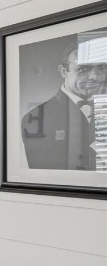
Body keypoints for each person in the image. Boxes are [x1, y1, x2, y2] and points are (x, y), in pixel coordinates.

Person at [21, 35, 107, 170]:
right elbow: (49, 175)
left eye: (101, 67)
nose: (95, 76)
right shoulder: (34, 118)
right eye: (83, 69)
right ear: (63, 71)